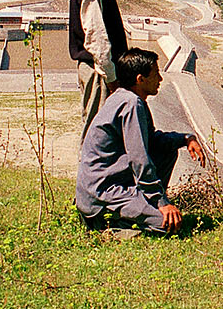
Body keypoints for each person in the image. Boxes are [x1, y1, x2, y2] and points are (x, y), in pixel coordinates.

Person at [76, 47, 207, 234]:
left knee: (167, 149)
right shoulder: (131, 104)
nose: (160, 79)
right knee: (169, 225)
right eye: (156, 74)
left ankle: (143, 205)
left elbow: (152, 140)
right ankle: (109, 225)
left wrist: (185, 139)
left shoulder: (127, 98)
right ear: (140, 79)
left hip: (107, 184)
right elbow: (139, 159)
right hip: (102, 193)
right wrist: (161, 202)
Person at [69, 0, 128, 128]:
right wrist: (111, 78)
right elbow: (96, 36)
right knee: (98, 130)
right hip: (98, 71)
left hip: (99, 69)